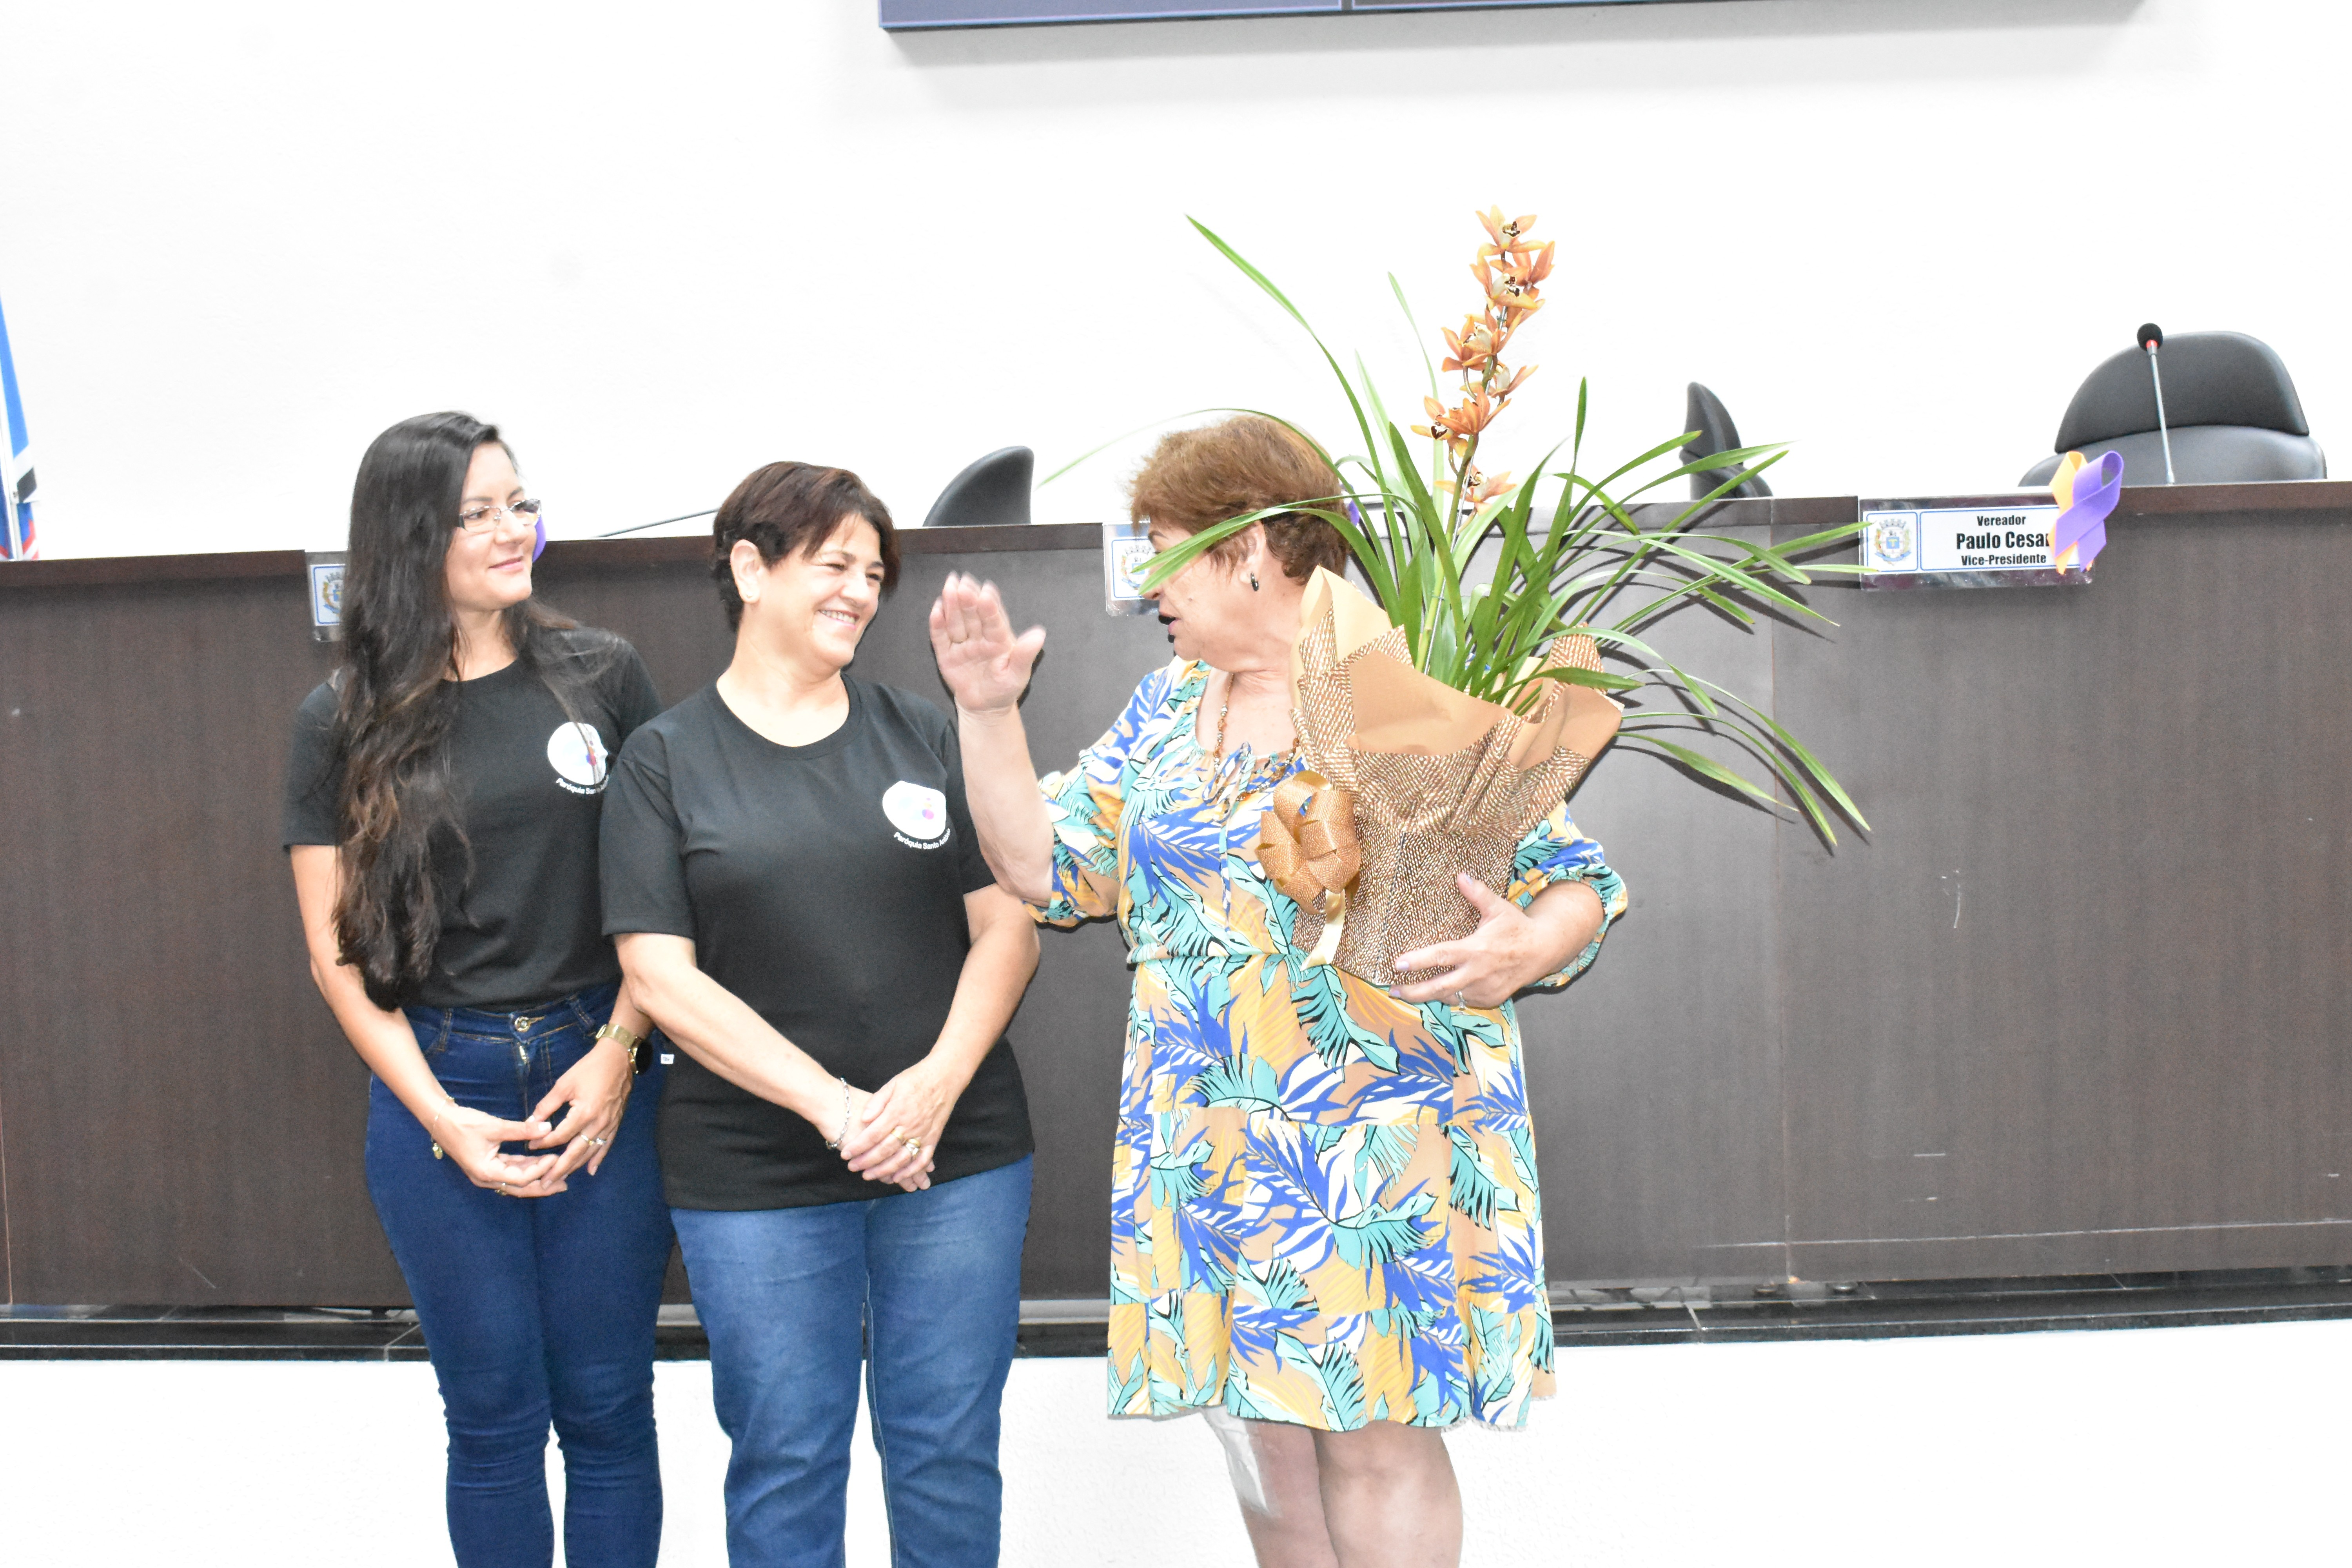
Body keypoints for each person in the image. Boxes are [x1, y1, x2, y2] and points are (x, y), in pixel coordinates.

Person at [930, 416, 1628, 1568]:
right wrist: (989, 711)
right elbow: (1042, 868)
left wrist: (1523, 949)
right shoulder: (1168, 708)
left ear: (1251, 549)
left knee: (1374, 1435)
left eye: (1165, 551)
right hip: (1206, 1135)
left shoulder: (1395, 690)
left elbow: (1578, 883)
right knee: (1265, 1438)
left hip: (1373, 1139)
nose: (1150, 584)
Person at [601, 461, 1040, 1568]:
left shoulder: (921, 733)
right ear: (751, 569)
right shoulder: (664, 759)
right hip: (755, 1171)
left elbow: (1010, 928)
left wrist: (931, 1089)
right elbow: (659, 977)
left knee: (946, 1452)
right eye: (835, 564)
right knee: (787, 1459)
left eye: (874, 573)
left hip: (954, 1156)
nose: (859, 591)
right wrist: (839, 1109)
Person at [282, 412, 674, 1567]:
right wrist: (442, 1118)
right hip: (439, 1081)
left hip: (602, 1066)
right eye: (479, 514)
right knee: (494, 1419)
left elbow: (664, 900)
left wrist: (618, 1053)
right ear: (412, 540)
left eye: (522, 504)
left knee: (609, 1409)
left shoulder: (603, 674)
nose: (516, 531)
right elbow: (335, 956)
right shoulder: (340, 719)